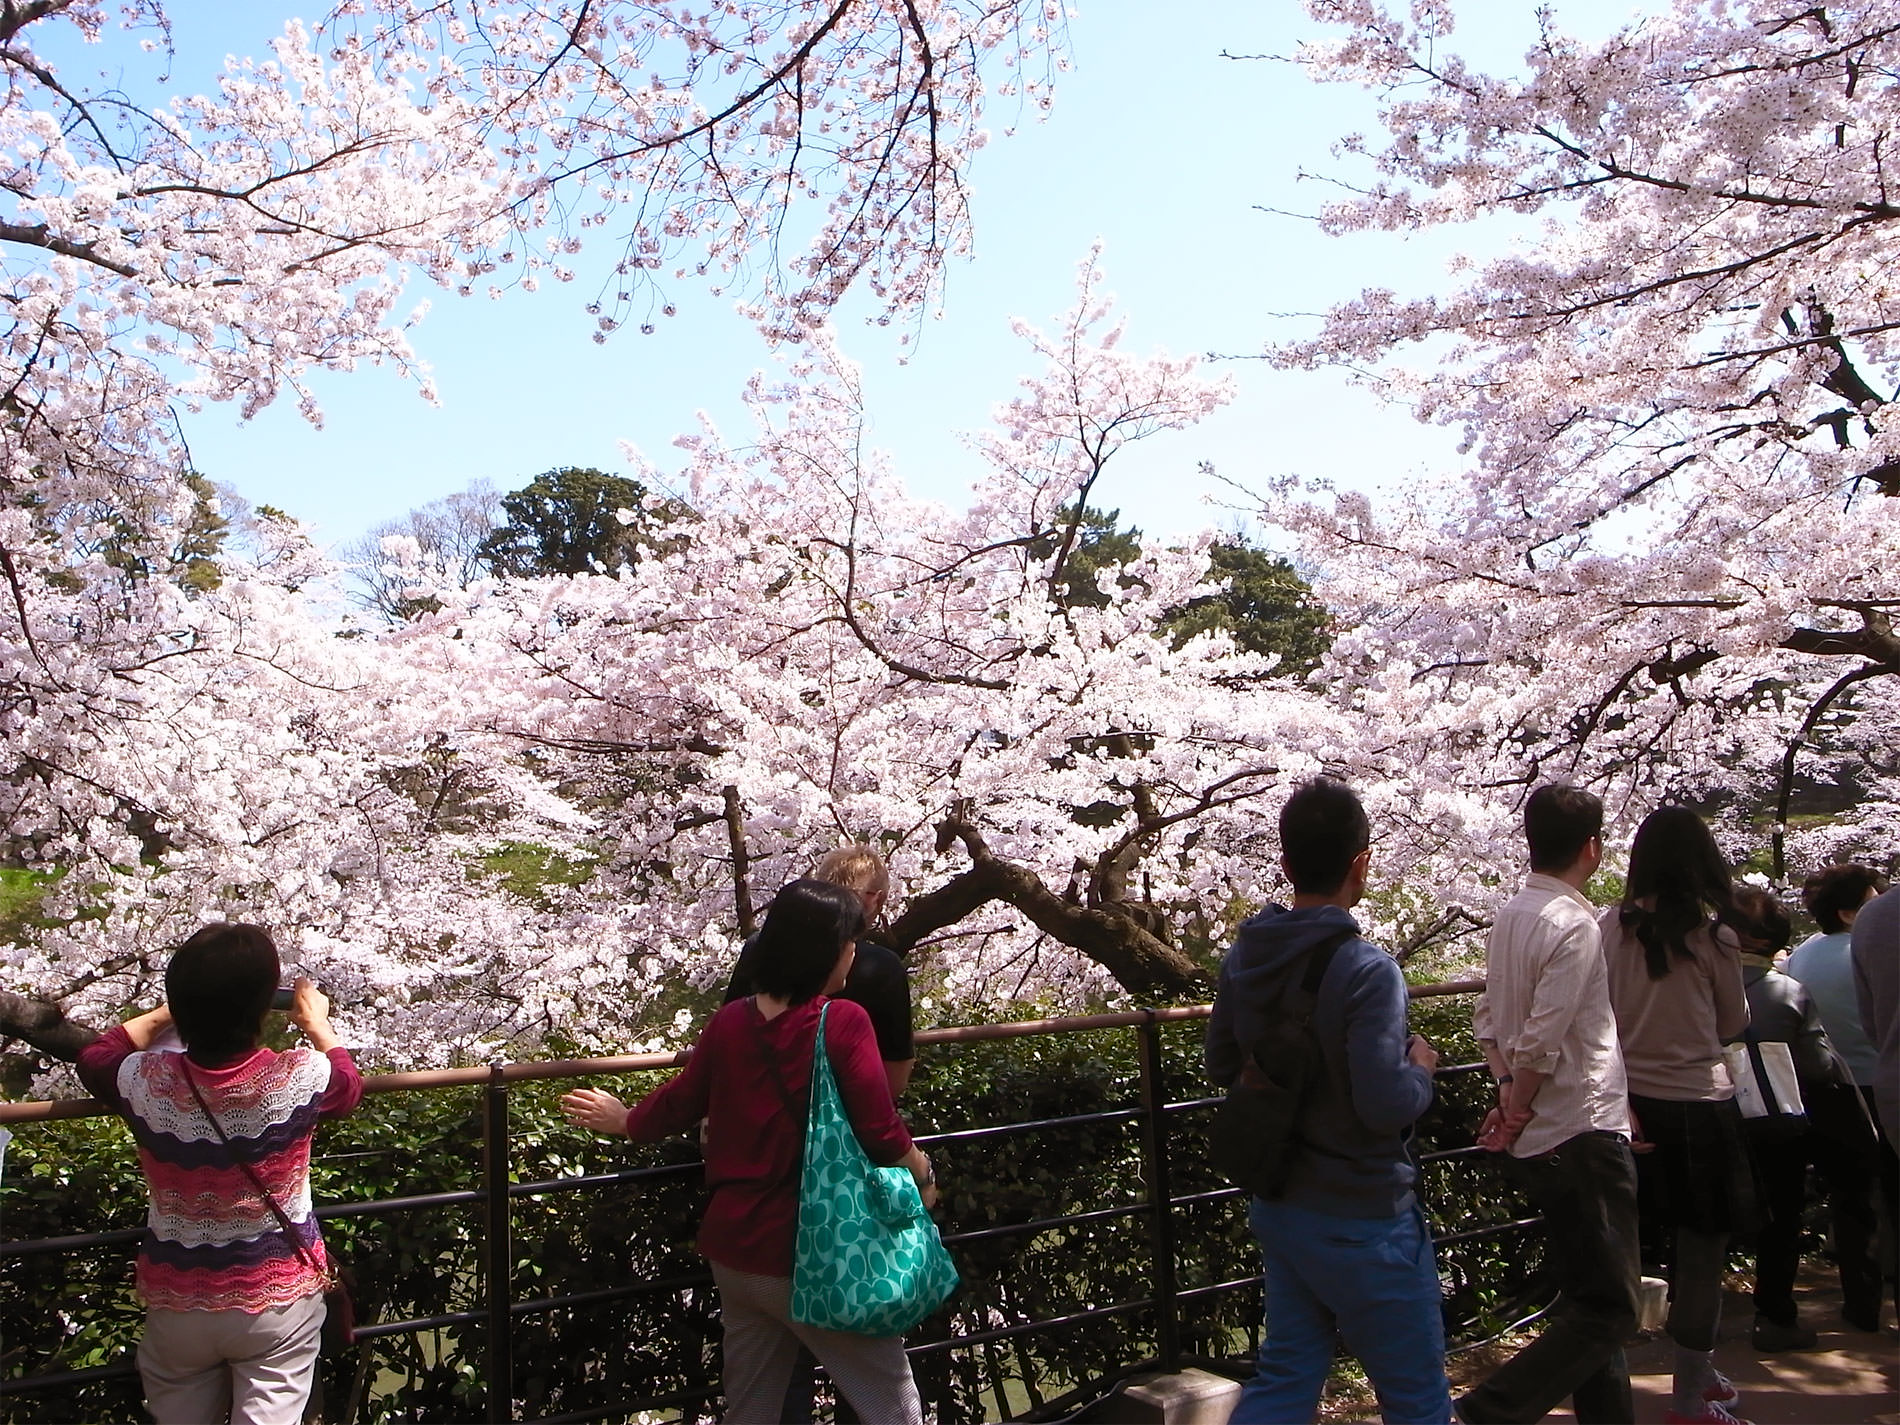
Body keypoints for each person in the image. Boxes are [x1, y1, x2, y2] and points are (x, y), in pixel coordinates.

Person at [562, 879, 937, 1425]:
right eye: (848, 944)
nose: (854, 955)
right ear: (825, 952)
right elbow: (880, 1129)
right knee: (890, 1400)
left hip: (735, 1248)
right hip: (814, 1249)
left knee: (753, 1405)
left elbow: (682, 1100)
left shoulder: (731, 1019)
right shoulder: (842, 1021)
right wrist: (924, 1172)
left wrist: (626, 1120)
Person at [1206, 776, 1451, 1425]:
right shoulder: (1368, 969)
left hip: (1284, 1202)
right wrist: (1421, 1068)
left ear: (1285, 863)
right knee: (1417, 1397)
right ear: (1361, 862)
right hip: (1366, 1214)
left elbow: (1221, 1062)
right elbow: (1384, 1101)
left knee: (1287, 1373)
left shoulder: (1245, 956)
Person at [74, 923, 363, 1425]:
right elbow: (348, 1083)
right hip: (276, 1297)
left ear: (180, 1000)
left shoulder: (145, 1080)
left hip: (178, 1298)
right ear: (259, 1009)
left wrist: (172, 1011)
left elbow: (96, 1055)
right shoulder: (299, 1076)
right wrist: (318, 1024)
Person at [1459, 784, 1641, 1425]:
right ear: (1592, 847)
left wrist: (1508, 1091)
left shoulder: (1512, 915)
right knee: (1613, 1305)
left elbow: (1490, 1017)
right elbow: (1546, 1032)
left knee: (1586, 1296)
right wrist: (1520, 1104)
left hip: (1544, 1129)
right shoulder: (1575, 924)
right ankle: (1492, 1408)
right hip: (1581, 1124)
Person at [1599, 807, 1756, 1425]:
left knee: (1622, 1254)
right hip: (1699, 1105)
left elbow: (1599, 1014)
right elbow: (1732, 1023)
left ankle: (1614, 1389)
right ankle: (1690, 1397)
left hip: (1627, 1107)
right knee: (1700, 1259)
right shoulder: (1714, 937)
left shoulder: (1609, 926)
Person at [1724, 886, 1879, 1349]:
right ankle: (1779, 1312)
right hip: (1783, 1117)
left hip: (1719, 1113)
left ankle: (1698, 1316)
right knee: (1790, 1213)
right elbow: (1816, 1066)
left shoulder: (1705, 989)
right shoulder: (1788, 992)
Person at [727, 845, 914, 1097]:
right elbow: (894, 1078)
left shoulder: (759, 946)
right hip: (841, 1119)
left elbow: (730, 1034)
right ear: (875, 899)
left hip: (756, 1103)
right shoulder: (882, 968)